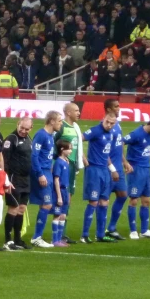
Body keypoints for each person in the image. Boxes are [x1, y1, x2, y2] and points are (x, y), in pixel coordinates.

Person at [122, 117, 150, 239]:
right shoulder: (136, 133)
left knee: (146, 201)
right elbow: (120, 143)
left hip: (146, 170)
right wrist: (125, 162)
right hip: (135, 170)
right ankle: (133, 231)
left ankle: (145, 230)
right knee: (134, 200)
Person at [81, 113, 119, 243]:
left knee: (104, 202)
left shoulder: (111, 134)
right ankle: (84, 235)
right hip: (94, 170)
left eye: (112, 123)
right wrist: (82, 157)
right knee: (93, 202)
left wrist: (112, 169)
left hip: (105, 170)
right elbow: (78, 139)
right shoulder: (95, 130)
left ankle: (100, 235)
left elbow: (106, 153)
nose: (109, 125)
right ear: (103, 119)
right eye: (107, 122)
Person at [30, 111, 62, 248]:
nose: (61, 123)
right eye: (59, 121)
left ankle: (38, 236)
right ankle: (36, 237)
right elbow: (34, 156)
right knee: (47, 204)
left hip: (47, 171)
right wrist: (40, 174)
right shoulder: (41, 135)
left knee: (46, 204)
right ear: (52, 121)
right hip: (42, 173)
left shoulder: (50, 136)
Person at [52, 102, 84, 244]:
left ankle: (62, 233)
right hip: (65, 167)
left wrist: (82, 159)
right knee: (65, 198)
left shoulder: (75, 127)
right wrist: (56, 163)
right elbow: (53, 145)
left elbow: (76, 147)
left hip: (72, 167)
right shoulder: (62, 127)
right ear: (68, 112)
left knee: (69, 198)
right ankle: (60, 234)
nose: (79, 113)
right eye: (76, 110)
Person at [2, 117, 32, 250]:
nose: (23, 131)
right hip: (14, 179)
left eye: (27, 129)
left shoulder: (29, 139)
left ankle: (17, 239)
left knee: (21, 209)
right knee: (13, 208)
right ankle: (8, 240)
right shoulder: (11, 139)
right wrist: (6, 180)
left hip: (26, 180)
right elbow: (4, 160)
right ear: (18, 124)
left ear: (31, 128)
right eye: (22, 128)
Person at [104, 98, 129, 241]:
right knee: (102, 201)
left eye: (119, 106)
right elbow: (104, 150)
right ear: (108, 109)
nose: (119, 108)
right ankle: (100, 231)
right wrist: (112, 167)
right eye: (116, 106)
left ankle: (111, 228)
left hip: (118, 167)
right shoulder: (106, 126)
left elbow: (118, 146)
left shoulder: (117, 125)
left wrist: (124, 161)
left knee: (123, 195)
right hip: (108, 168)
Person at [50, 140, 72, 247]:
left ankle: (59, 239)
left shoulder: (66, 161)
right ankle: (55, 240)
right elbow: (56, 180)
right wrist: (59, 196)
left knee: (63, 215)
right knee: (57, 215)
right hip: (59, 191)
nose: (71, 151)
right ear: (62, 149)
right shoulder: (58, 162)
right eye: (69, 148)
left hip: (65, 190)